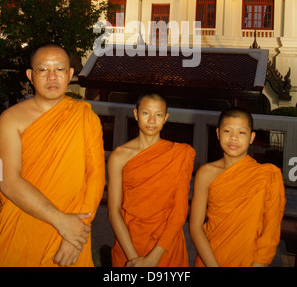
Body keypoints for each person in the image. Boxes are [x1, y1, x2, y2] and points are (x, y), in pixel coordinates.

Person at [0, 43, 105, 267]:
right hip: (23, 224)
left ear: (70, 74)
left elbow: (95, 177)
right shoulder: (9, 119)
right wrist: (61, 221)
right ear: (30, 75)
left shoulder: (85, 117)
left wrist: (75, 236)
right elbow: (8, 182)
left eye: (60, 69)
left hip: (73, 230)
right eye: (43, 69)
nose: (52, 76)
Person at [189, 106, 286, 267]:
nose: (233, 138)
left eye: (241, 133)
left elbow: (271, 230)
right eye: (227, 131)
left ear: (251, 137)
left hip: (248, 261)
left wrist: (257, 264)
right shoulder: (205, 173)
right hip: (210, 258)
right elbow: (195, 226)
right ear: (218, 133)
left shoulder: (267, 175)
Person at [108, 91, 195, 267]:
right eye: (146, 113)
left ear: (166, 118)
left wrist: (152, 259)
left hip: (166, 247)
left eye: (159, 115)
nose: (152, 120)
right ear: (136, 114)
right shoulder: (119, 157)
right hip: (129, 245)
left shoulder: (179, 154)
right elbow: (113, 211)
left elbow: (179, 212)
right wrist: (134, 258)